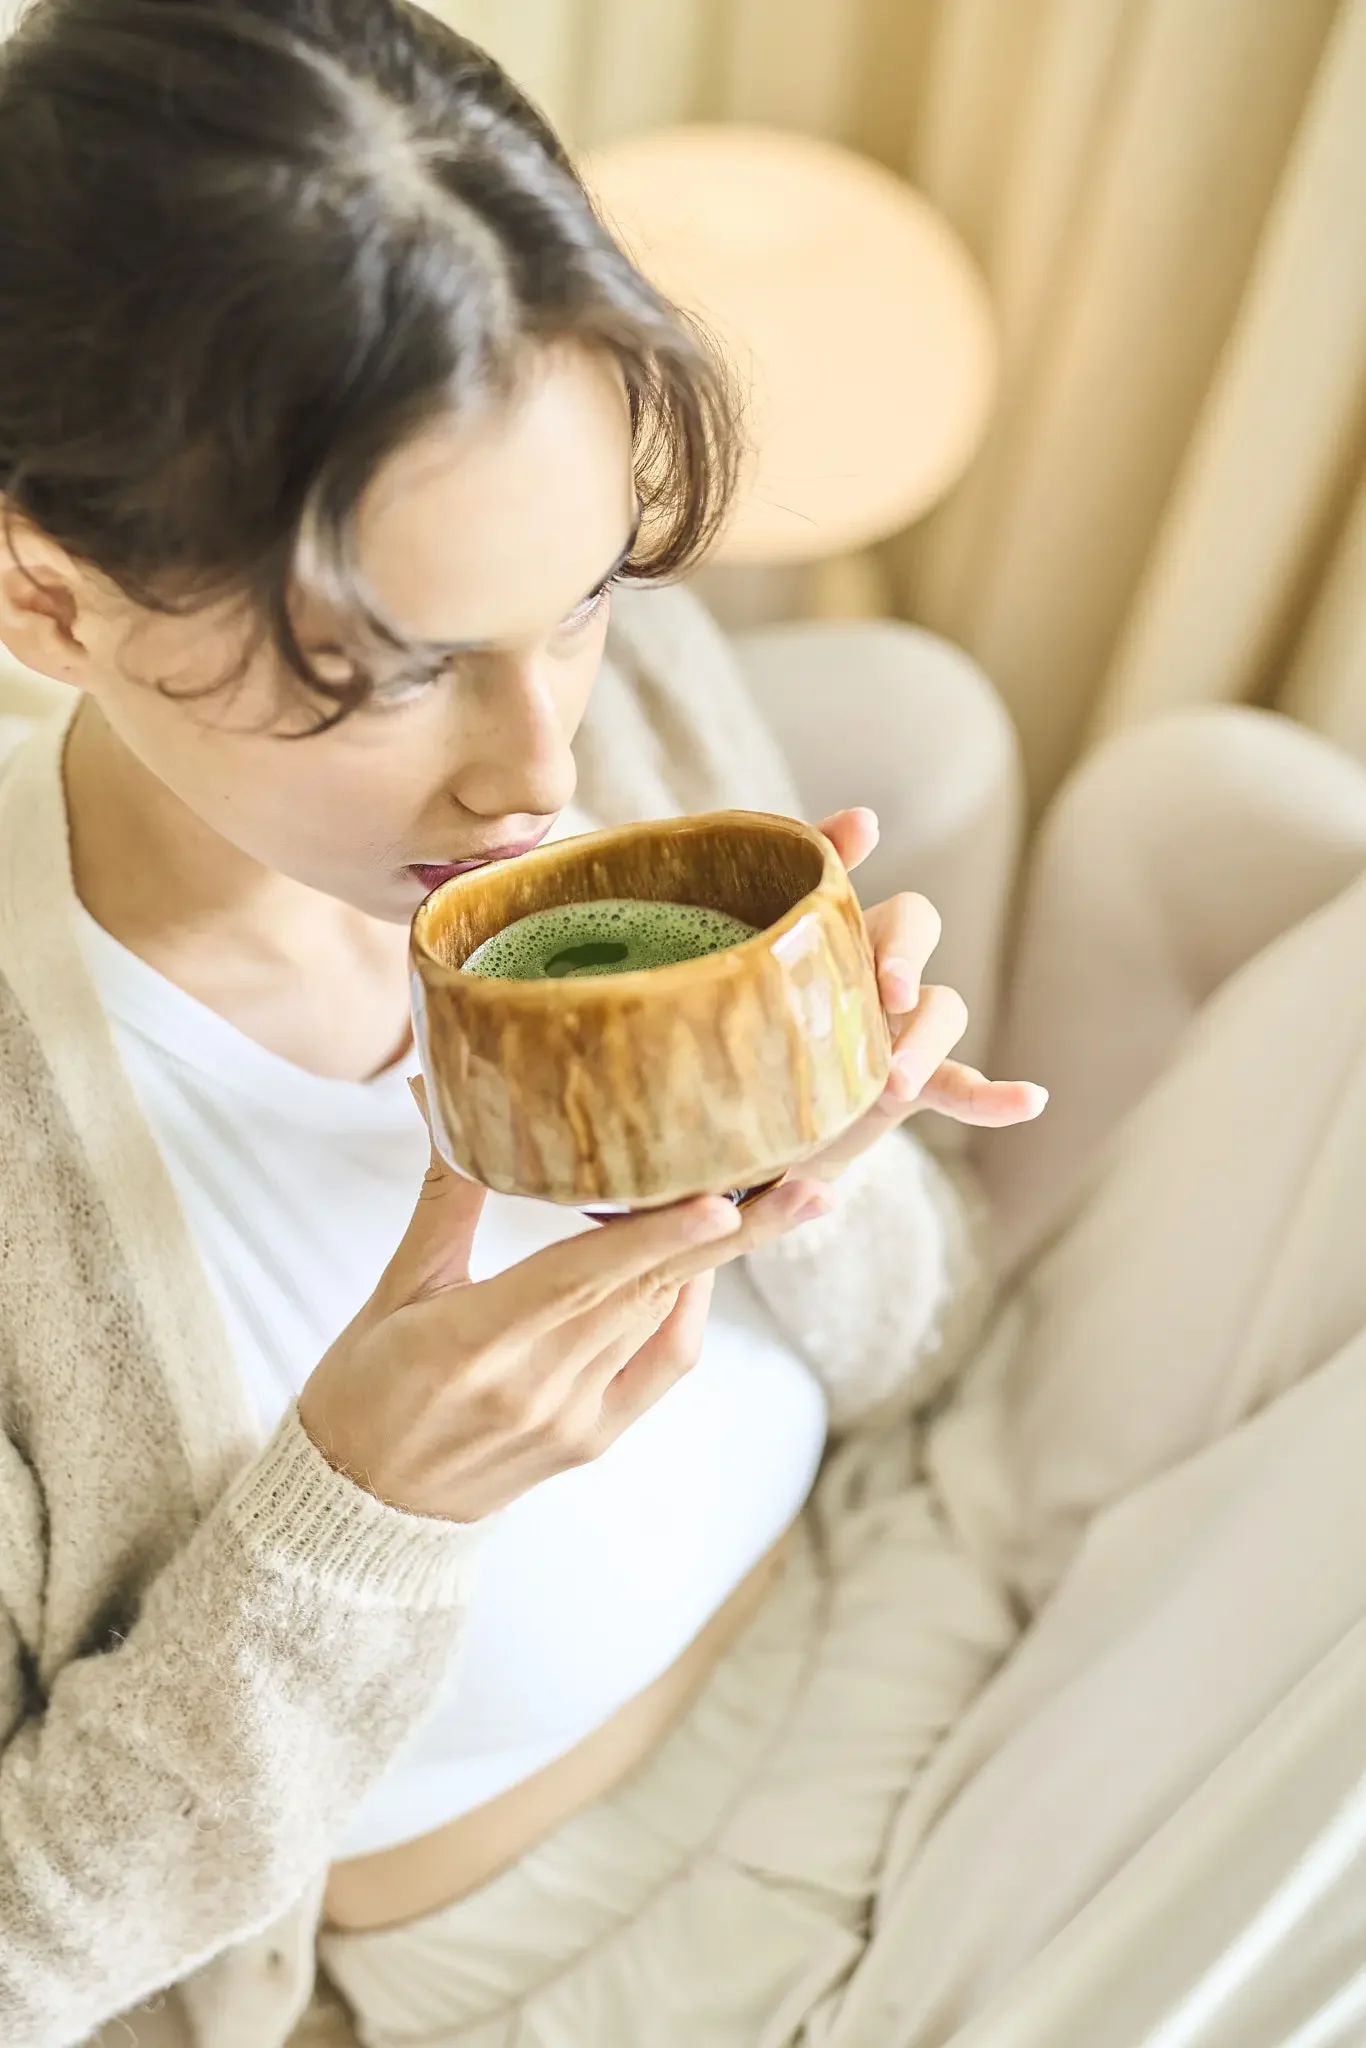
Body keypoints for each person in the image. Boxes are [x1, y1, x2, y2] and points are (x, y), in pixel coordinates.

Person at [0, 5, 1046, 2044]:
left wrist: (823, 1148)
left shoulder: (610, 723)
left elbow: (931, 1344)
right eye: (391, 669)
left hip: (915, 1592)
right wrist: (350, 1511)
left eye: (584, 593)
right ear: (47, 601)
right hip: (552, 1962)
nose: (536, 768)